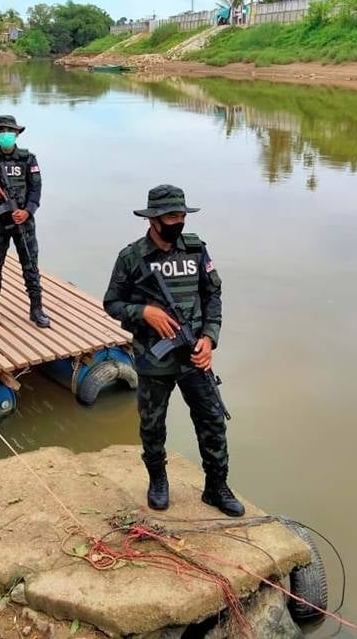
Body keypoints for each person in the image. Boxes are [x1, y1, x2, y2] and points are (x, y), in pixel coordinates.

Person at [103, 185, 244, 517]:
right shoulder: (132, 257)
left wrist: (209, 338)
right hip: (154, 357)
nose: (177, 222)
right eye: (170, 216)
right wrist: (144, 313)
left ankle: (216, 487)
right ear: (153, 219)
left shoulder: (196, 251)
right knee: (153, 424)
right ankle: (158, 481)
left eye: (181, 215)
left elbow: (213, 296)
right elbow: (112, 302)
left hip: (194, 354)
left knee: (212, 420)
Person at [0, 115, 50, 329]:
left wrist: (27, 211)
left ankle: (36, 309)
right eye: (2, 131)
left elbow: (36, 190)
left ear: (16, 134)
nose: (6, 134)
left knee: (30, 266)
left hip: (23, 222)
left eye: (10, 131)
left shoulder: (28, 159)